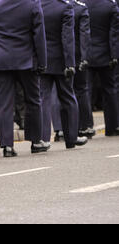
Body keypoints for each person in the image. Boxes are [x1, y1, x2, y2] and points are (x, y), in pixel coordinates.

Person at [0, 0, 49, 157]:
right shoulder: (32, 4)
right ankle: (36, 141)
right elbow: (39, 36)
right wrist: (42, 61)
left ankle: (7, 146)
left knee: (3, 104)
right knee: (33, 100)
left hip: (1, 59)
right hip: (26, 59)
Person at [40, 0, 88, 149]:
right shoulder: (65, 6)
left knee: (43, 99)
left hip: (43, 60)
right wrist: (70, 63)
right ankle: (71, 137)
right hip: (61, 60)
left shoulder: (37, 5)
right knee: (68, 98)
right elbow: (67, 37)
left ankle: (42, 139)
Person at [85, 0, 119, 136]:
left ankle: (86, 126)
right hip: (106, 53)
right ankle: (113, 126)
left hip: (87, 54)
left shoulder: (82, 5)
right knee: (110, 90)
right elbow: (114, 34)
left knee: (86, 91)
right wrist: (114, 55)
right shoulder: (110, 6)